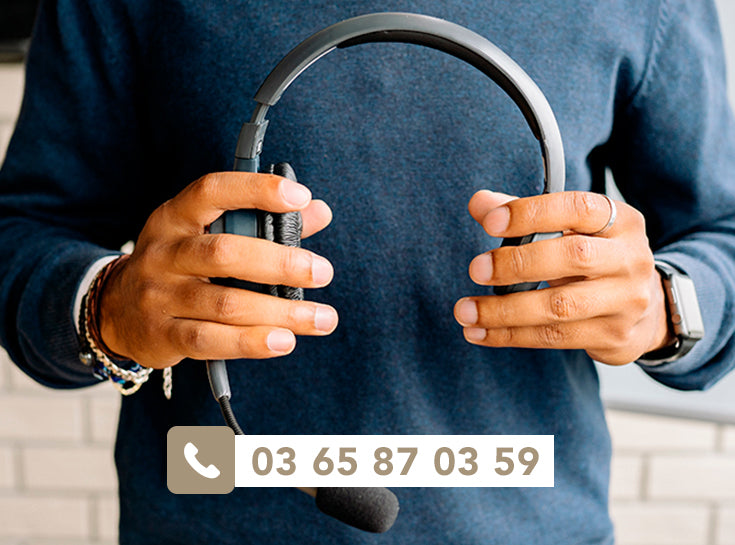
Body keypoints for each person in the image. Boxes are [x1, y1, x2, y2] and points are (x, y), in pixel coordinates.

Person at [1, 0, 734, 543]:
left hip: (530, 521)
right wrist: (106, 307)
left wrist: (663, 305)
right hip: (208, 511)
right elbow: (25, 232)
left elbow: (721, 233)